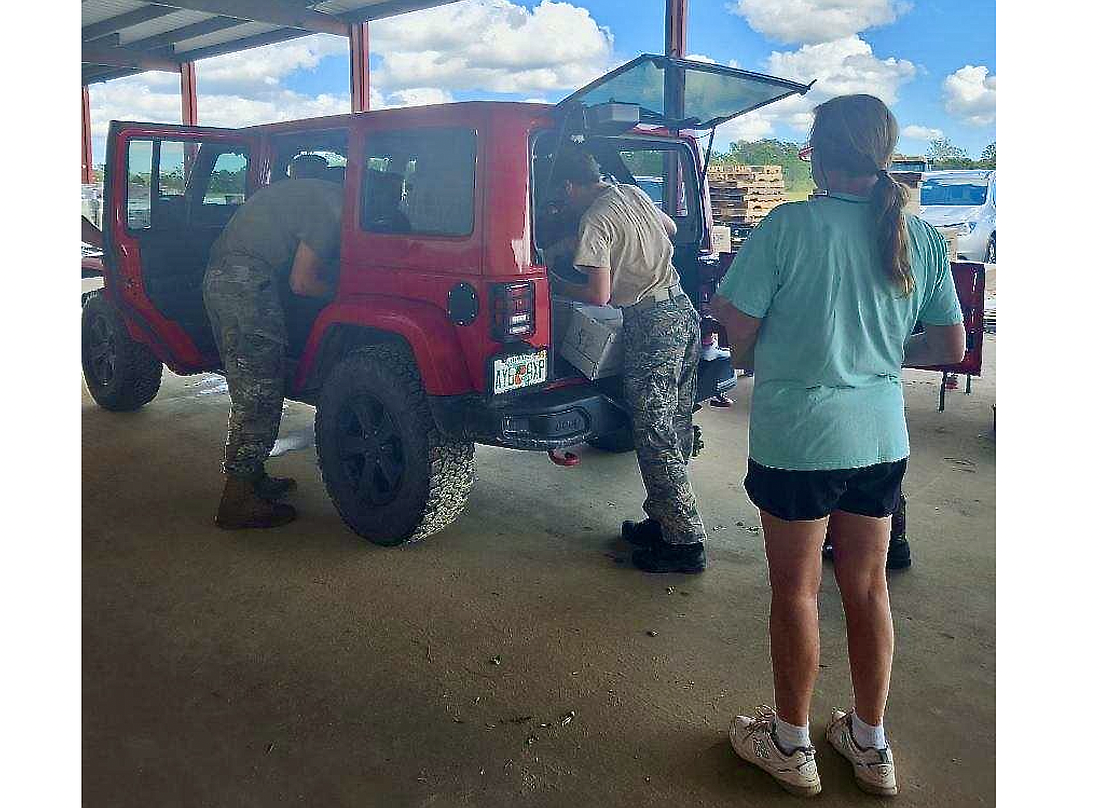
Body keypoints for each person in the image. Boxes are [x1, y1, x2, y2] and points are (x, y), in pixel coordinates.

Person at [710, 94, 965, 797]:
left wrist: (779, 352)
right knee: (868, 586)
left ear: (819, 152)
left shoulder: (788, 227)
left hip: (799, 437)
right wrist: (873, 350)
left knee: (795, 590)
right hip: (880, 435)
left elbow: (738, 333)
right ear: (883, 151)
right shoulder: (924, 236)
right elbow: (949, 345)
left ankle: (791, 742)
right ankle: (870, 742)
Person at [551, 147, 708, 574]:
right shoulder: (632, 194)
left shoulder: (593, 219)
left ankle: (685, 543)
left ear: (569, 186)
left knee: (653, 431)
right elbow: (671, 228)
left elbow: (598, 296)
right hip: (682, 313)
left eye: (562, 197)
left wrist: (557, 282)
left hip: (652, 326)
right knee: (674, 423)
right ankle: (665, 520)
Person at [202, 178, 343, 529]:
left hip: (224, 278)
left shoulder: (298, 190)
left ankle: (253, 478)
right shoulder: (331, 207)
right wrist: (346, 293)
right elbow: (303, 283)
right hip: (245, 288)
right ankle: (236, 500)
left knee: (250, 388)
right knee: (259, 395)